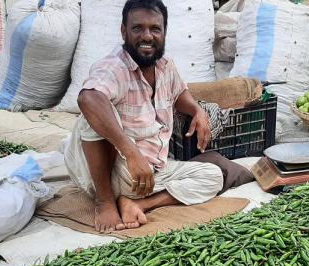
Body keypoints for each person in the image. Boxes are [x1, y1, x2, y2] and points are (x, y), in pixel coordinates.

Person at [64, 0, 223, 232]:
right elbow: (87, 99)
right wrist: (131, 152)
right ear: (123, 31)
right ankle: (105, 202)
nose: (147, 36)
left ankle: (137, 204)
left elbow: (179, 94)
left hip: (149, 176)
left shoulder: (166, 66)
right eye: (138, 28)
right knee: (93, 110)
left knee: (213, 175)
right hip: (113, 173)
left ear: (164, 32)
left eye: (154, 29)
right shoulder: (113, 67)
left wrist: (197, 110)